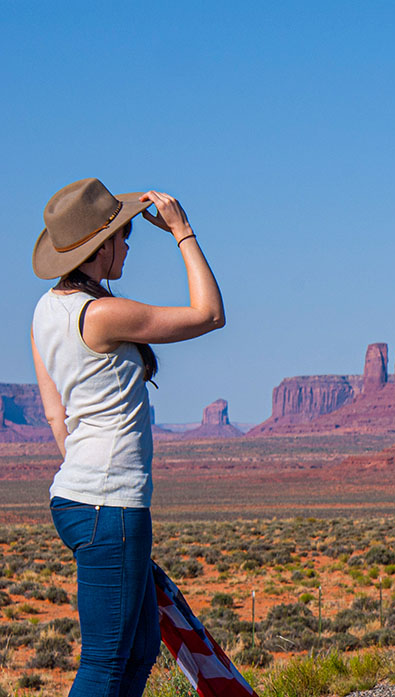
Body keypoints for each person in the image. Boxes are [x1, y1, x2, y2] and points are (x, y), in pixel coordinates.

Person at [30, 177, 225, 697]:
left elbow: (56, 414)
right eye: (123, 233)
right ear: (100, 247)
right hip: (106, 506)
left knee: (139, 650)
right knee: (105, 664)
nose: (130, 241)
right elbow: (209, 314)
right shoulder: (103, 315)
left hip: (81, 497)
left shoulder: (48, 310)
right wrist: (183, 232)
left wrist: (92, 479)